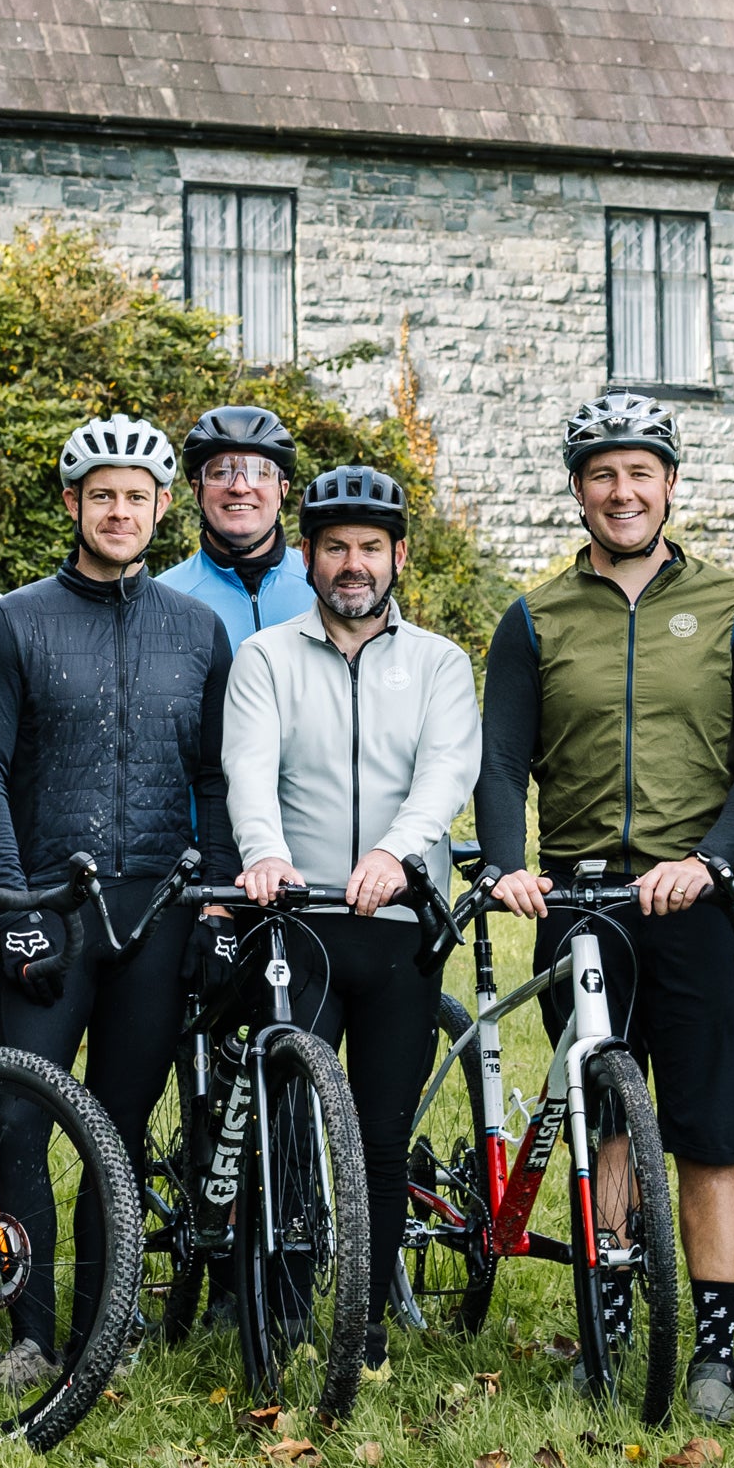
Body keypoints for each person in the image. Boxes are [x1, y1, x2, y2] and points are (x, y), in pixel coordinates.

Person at [478, 391, 734, 1424]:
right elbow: (500, 761)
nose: (623, 491)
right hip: (580, 899)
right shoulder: (534, 618)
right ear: (578, 491)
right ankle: (609, 1325)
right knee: (605, 1123)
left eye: (640, 473)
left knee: (706, 1133)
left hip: (694, 896)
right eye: (603, 475)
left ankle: (714, 1350)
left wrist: (713, 859)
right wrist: (509, 865)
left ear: (670, 485)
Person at [0, 414, 232, 1390]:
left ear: (163, 507)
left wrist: (218, 905)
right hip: (48, 909)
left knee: (117, 1131)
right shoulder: (15, 620)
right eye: (102, 495)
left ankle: (101, 1333)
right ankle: (32, 1339)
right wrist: (11, 908)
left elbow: (217, 777)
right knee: (21, 1122)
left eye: (137, 497)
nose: (120, 511)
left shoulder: (198, 630)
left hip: (157, 911)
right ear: (73, 503)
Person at [220, 463, 480, 1379]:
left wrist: (398, 853)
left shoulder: (440, 663)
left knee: (381, 1129)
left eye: (371, 547)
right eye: (335, 547)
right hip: (301, 919)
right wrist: (264, 853)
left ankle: (363, 1325)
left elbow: (447, 772)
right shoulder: (266, 658)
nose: (353, 564)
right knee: (289, 1118)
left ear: (399, 556)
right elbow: (249, 770)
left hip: (401, 921)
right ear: (308, 556)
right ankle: (283, 1312)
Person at [162, 404, 315, 643]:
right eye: (221, 472)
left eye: (259, 472)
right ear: (197, 491)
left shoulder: (323, 584)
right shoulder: (163, 599)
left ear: (281, 491)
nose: (240, 487)